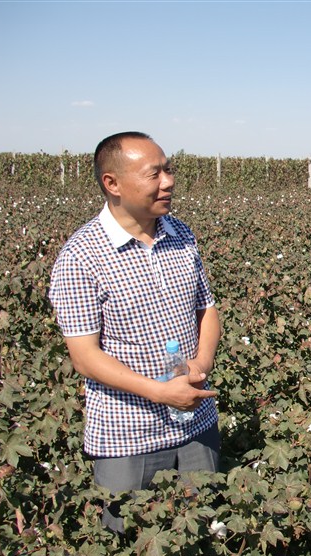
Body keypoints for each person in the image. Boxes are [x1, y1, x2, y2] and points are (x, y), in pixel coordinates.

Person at [49, 132, 222, 533]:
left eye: (168, 169)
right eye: (154, 174)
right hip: (128, 436)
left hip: (196, 423)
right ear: (113, 184)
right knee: (129, 549)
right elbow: (85, 358)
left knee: (203, 537)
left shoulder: (180, 233)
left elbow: (207, 309)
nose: (169, 181)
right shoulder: (81, 257)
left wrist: (201, 363)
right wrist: (160, 392)